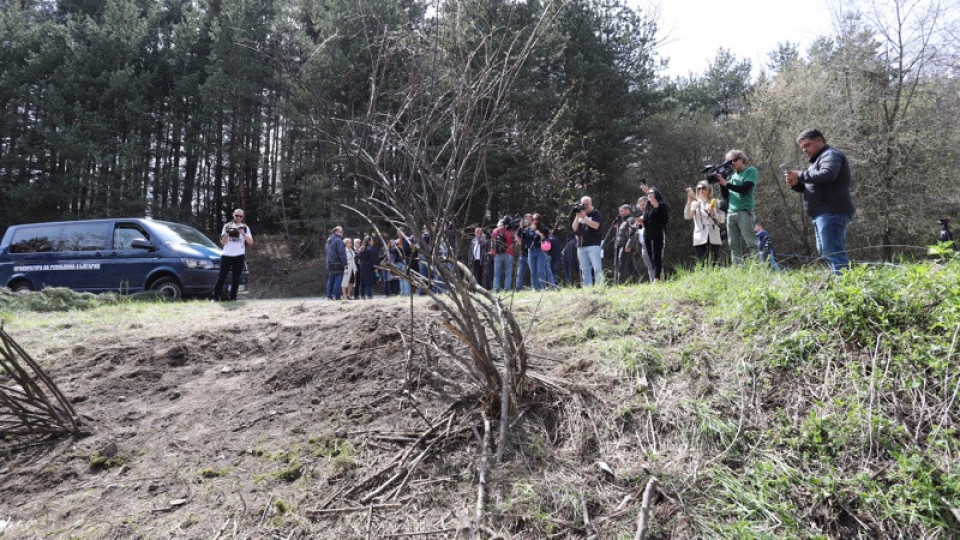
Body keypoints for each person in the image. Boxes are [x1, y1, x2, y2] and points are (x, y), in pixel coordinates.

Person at [785, 128, 855, 274]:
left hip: (832, 211)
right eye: (802, 148)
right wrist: (796, 184)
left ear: (820, 141)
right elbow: (811, 187)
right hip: (821, 213)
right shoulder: (815, 162)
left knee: (833, 251)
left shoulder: (832, 154)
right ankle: (842, 283)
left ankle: (846, 286)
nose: (805, 150)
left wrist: (800, 174)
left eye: (808, 145)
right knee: (826, 251)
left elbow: (828, 175)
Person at [714, 149, 758, 263]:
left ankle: (759, 267)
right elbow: (725, 196)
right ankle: (738, 268)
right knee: (733, 245)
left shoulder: (750, 171)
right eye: (729, 162)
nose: (732, 163)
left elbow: (744, 189)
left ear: (742, 159)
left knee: (751, 243)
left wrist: (726, 184)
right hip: (731, 212)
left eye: (734, 160)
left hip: (744, 211)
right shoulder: (731, 177)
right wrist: (721, 184)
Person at [212, 208, 253, 301]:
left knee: (236, 278)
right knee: (221, 276)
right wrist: (227, 233)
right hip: (227, 255)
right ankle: (214, 297)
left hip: (239, 255)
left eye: (240, 216)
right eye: (236, 215)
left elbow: (250, 242)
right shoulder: (227, 226)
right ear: (233, 215)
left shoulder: (245, 227)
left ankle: (233, 298)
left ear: (243, 217)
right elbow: (222, 242)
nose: (238, 217)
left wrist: (243, 234)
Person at [684, 181, 725, 264]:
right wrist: (689, 201)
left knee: (714, 261)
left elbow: (723, 219)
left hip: (713, 234)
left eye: (704, 188)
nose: (701, 190)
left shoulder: (717, 202)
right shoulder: (695, 203)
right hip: (699, 236)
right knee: (702, 262)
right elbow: (687, 216)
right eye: (699, 189)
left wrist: (714, 213)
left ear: (709, 190)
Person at [572, 197, 603, 286]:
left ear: (591, 204)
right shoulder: (580, 214)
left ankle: (599, 286)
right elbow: (574, 228)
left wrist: (585, 218)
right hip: (581, 245)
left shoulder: (595, 213)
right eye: (583, 204)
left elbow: (596, 226)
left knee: (597, 268)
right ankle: (587, 287)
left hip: (593, 244)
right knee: (584, 268)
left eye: (586, 204)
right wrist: (577, 217)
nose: (584, 206)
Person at [640, 188, 668, 282]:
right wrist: (640, 222)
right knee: (650, 258)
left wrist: (648, 191)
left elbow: (663, 218)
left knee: (657, 257)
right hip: (647, 236)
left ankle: (657, 279)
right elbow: (645, 223)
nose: (649, 196)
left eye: (652, 194)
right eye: (649, 195)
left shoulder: (662, 206)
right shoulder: (648, 209)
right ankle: (655, 279)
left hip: (658, 235)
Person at [523, 214, 551, 291]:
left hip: (540, 251)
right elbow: (525, 240)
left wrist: (538, 233)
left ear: (540, 220)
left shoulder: (544, 229)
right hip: (531, 251)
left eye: (537, 219)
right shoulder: (528, 230)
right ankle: (535, 288)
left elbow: (545, 239)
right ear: (532, 220)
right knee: (533, 271)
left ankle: (543, 287)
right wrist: (527, 246)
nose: (536, 221)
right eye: (534, 219)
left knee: (541, 270)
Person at [614, 204, 639, 283]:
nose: (620, 213)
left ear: (628, 210)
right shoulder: (624, 221)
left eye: (622, 211)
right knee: (631, 266)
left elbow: (635, 233)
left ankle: (620, 283)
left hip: (627, 246)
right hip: (624, 245)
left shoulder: (631, 219)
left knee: (622, 265)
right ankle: (638, 281)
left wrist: (629, 245)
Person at [490, 219, 515, 293]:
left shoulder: (494, 231)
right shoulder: (509, 231)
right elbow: (513, 242)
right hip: (509, 253)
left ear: (499, 224)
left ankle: (496, 289)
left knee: (497, 274)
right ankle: (507, 289)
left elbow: (493, 242)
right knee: (508, 273)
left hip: (498, 254)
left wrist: (493, 252)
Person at [635, 196, 655, 283]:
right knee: (649, 266)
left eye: (643, 204)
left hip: (653, 242)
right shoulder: (641, 217)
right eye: (640, 205)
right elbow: (640, 231)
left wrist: (643, 224)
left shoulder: (653, 213)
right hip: (644, 245)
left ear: (648, 203)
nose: (642, 207)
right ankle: (653, 284)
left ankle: (660, 284)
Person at [325, 226, 348, 300]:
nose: (342, 233)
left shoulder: (328, 240)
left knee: (331, 280)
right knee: (338, 280)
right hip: (338, 263)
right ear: (336, 232)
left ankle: (329, 296)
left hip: (329, 263)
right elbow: (342, 253)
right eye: (341, 232)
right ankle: (337, 296)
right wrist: (345, 263)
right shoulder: (339, 240)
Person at [514, 214, 532, 292]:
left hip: (531, 255)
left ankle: (534, 286)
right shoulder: (520, 230)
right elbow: (518, 241)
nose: (526, 220)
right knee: (520, 273)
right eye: (525, 219)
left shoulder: (532, 229)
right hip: (523, 255)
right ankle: (518, 288)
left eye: (528, 218)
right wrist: (521, 227)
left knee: (533, 272)